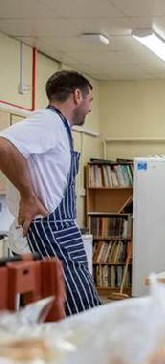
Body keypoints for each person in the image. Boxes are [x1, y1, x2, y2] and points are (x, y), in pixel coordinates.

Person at [0, 70, 101, 315]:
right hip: (49, 230)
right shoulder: (49, 121)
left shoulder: (60, 127)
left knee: (57, 313)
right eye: (90, 100)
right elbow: (3, 146)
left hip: (61, 230)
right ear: (77, 95)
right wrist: (28, 195)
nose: (89, 108)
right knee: (81, 314)